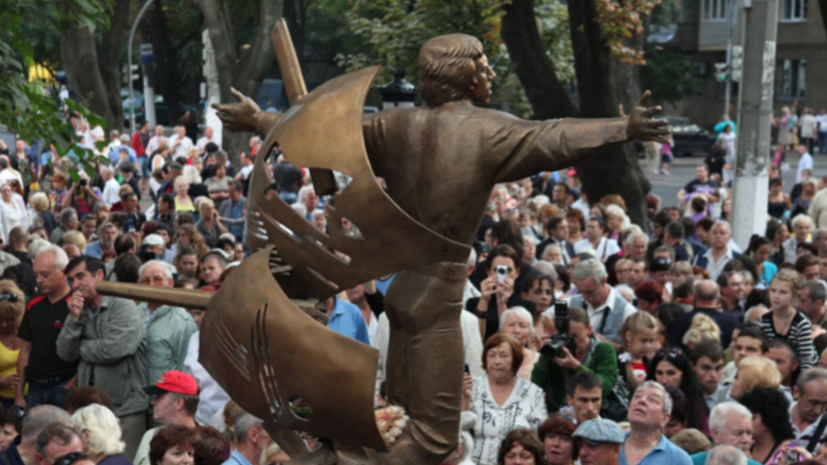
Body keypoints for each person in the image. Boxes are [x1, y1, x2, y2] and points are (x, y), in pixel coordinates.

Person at [56, 256, 149, 460]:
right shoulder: (78, 308)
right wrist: (73, 320)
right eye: (71, 280)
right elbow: (64, 353)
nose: (76, 285)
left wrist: (82, 347)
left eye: (80, 276)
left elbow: (115, 349)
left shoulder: (122, 305)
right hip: (90, 410)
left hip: (125, 407)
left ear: (99, 275)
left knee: (122, 461)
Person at [462, 333, 547, 465]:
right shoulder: (471, 388)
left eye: (503, 355)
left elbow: (539, 438)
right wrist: (465, 399)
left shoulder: (533, 393)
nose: (496, 361)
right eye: (491, 355)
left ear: (516, 360)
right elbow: (461, 432)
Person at [16, 246, 75, 410]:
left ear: (63, 271)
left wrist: (72, 383)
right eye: (35, 275)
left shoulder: (76, 304)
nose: (39, 280)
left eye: (45, 275)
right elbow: (26, 348)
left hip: (64, 386)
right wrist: (19, 394)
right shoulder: (33, 303)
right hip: (35, 387)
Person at [531, 306, 617, 413]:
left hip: (590, 414)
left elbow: (605, 387)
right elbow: (535, 386)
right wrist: (545, 354)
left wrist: (576, 366)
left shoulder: (603, 349)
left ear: (589, 330)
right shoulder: (557, 349)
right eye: (566, 336)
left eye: (575, 336)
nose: (570, 341)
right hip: (557, 415)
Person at [137, 261, 197, 383]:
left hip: (163, 397)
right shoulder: (133, 313)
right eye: (146, 280)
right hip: (134, 396)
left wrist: (172, 399)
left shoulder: (183, 321)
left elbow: (186, 369)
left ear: (170, 283)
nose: (152, 285)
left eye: (158, 279)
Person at [467, 245, 537, 341]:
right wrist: (484, 300)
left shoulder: (527, 307)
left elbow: (509, 342)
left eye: (508, 270)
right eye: (497, 270)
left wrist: (502, 303)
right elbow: (475, 340)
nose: (502, 275)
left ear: (517, 272)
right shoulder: (473, 303)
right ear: (488, 272)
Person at [133, 371, 200, 465]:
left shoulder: (209, 441)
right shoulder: (151, 436)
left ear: (178, 403)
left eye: (159, 397)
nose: (152, 402)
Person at [620, 381, 692, 465]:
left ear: (664, 418)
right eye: (637, 396)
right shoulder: (608, 446)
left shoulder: (678, 459)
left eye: (652, 400)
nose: (642, 400)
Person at [567, 259, 636, 345]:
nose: (585, 296)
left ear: (603, 280)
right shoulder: (570, 302)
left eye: (590, 291)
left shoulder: (627, 311)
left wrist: (606, 345)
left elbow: (634, 351)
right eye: (581, 291)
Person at [759, 269, 817, 369]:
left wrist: (801, 384)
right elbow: (761, 350)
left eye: (783, 292)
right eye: (773, 290)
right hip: (771, 367)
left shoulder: (801, 322)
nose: (776, 296)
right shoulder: (764, 319)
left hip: (797, 369)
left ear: (794, 296)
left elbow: (806, 359)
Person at [646, 348, 710, 435]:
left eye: (671, 373)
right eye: (659, 373)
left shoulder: (696, 406)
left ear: (683, 375)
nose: (664, 380)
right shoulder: (643, 401)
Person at [668, 280, 738, 350]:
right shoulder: (731, 320)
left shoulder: (682, 320)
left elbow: (673, 346)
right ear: (718, 298)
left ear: (694, 296)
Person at [738, 387, 796, 464]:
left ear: (769, 418)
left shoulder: (791, 453)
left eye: (752, 417)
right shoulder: (746, 445)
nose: (746, 422)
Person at [691, 402, 760, 465]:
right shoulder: (690, 462)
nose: (746, 440)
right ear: (716, 434)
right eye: (738, 433)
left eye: (749, 433)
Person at [0, 281, 24, 410]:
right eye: (0, 319)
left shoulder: (28, 329)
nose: (4, 325)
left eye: (10, 319)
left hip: (30, 398)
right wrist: (5, 381)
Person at [790, 368, 827, 447]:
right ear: (796, 392)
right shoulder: (776, 417)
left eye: (824, 404)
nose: (818, 410)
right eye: (813, 402)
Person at [690, 341, 727, 410]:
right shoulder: (682, 396)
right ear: (692, 367)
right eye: (706, 368)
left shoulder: (729, 399)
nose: (713, 375)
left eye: (718, 368)